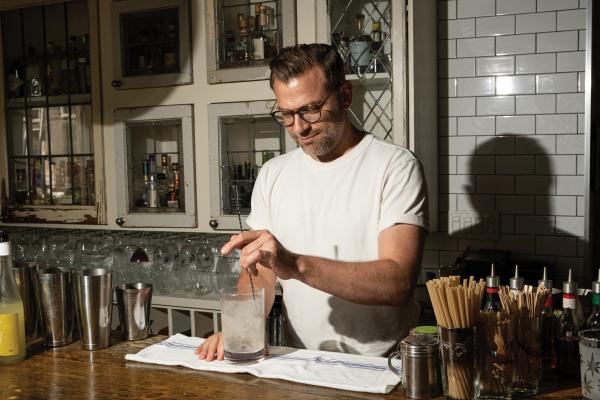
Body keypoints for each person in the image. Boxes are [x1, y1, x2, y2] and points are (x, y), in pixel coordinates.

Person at [196, 43, 428, 359]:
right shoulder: (273, 173)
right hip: (299, 359)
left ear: (345, 96)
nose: (299, 128)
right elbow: (261, 271)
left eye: (310, 110)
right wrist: (242, 328)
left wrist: (296, 265)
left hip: (381, 363)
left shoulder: (395, 167)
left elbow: (398, 282)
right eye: (286, 114)